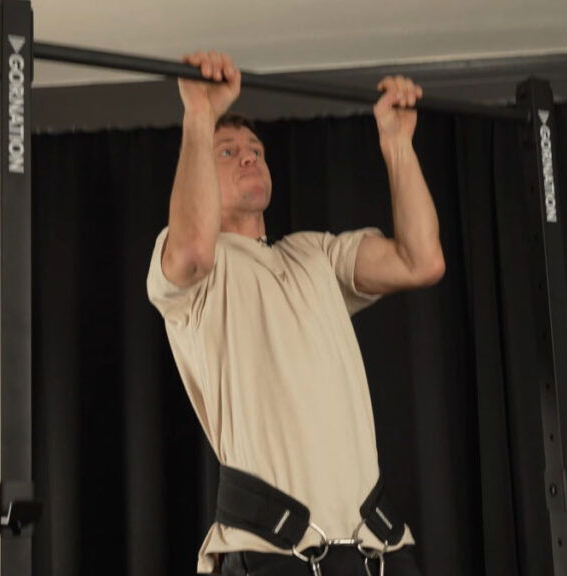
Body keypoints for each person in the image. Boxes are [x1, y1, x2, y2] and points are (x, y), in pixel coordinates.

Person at [146, 50, 444, 576]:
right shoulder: (195, 275)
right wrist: (199, 115)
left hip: (377, 551)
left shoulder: (314, 254)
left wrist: (397, 144)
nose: (249, 157)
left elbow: (420, 261)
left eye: (256, 149)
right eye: (228, 151)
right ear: (197, 171)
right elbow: (192, 248)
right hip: (273, 553)